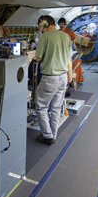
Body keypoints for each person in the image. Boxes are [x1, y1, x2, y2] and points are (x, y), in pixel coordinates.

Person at [35, 15, 72, 144]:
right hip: (63, 77)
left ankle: (47, 135)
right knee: (56, 108)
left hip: (50, 78)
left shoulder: (44, 37)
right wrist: (70, 75)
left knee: (41, 107)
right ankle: (53, 134)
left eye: (40, 26)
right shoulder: (65, 36)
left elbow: (38, 58)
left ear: (44, 24)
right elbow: (68, 58)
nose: (40, 29)